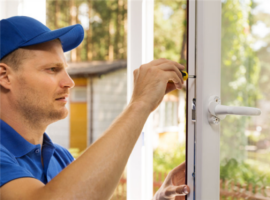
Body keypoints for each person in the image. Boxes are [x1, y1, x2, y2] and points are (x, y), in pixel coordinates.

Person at [0, 16, 190, 200]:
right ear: (4, 76)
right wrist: (139, 104)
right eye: (52, 69)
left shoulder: (59, 157)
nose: (69, 82)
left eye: (65, 69)